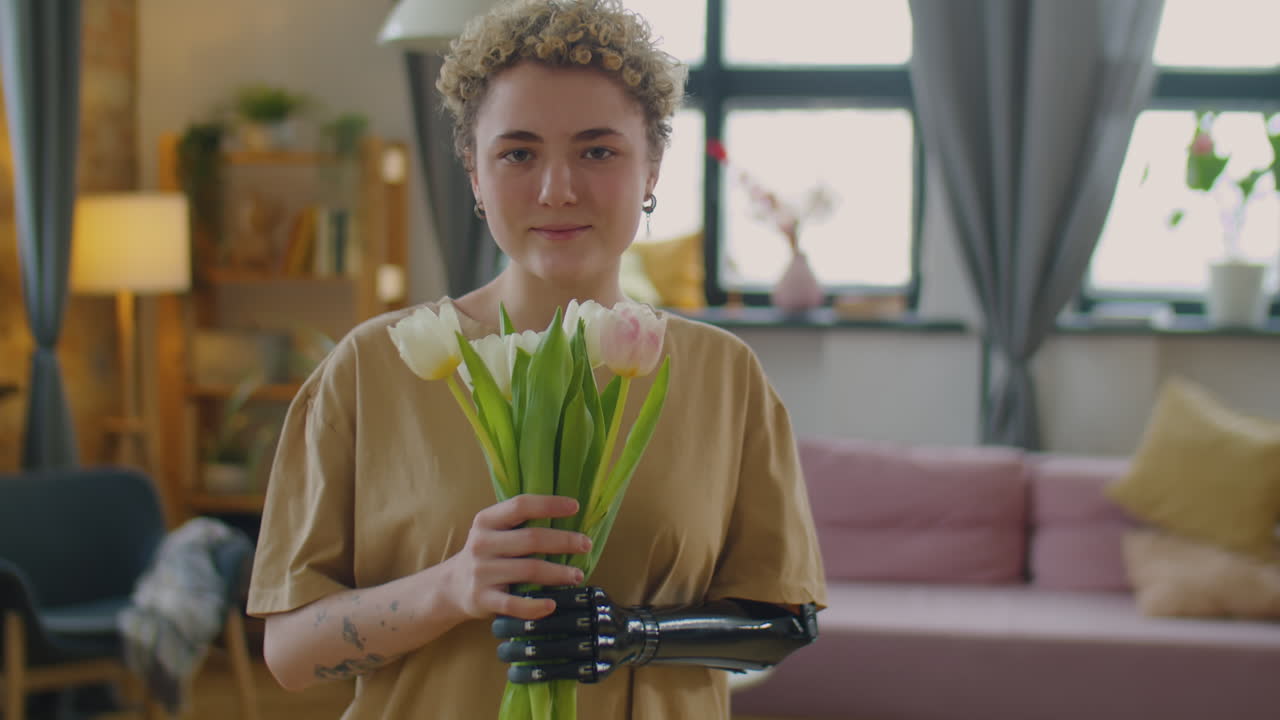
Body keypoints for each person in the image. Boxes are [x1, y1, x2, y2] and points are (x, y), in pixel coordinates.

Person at [246, 0, 827, 717]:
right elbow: (290, 655)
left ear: (651, 170)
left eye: (598, 150)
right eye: (518, 152)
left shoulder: (723, 376)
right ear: (473, 173)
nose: (558, 189)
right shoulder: (372, 368)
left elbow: (783, 621)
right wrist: (451, 587)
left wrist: (632, 634)